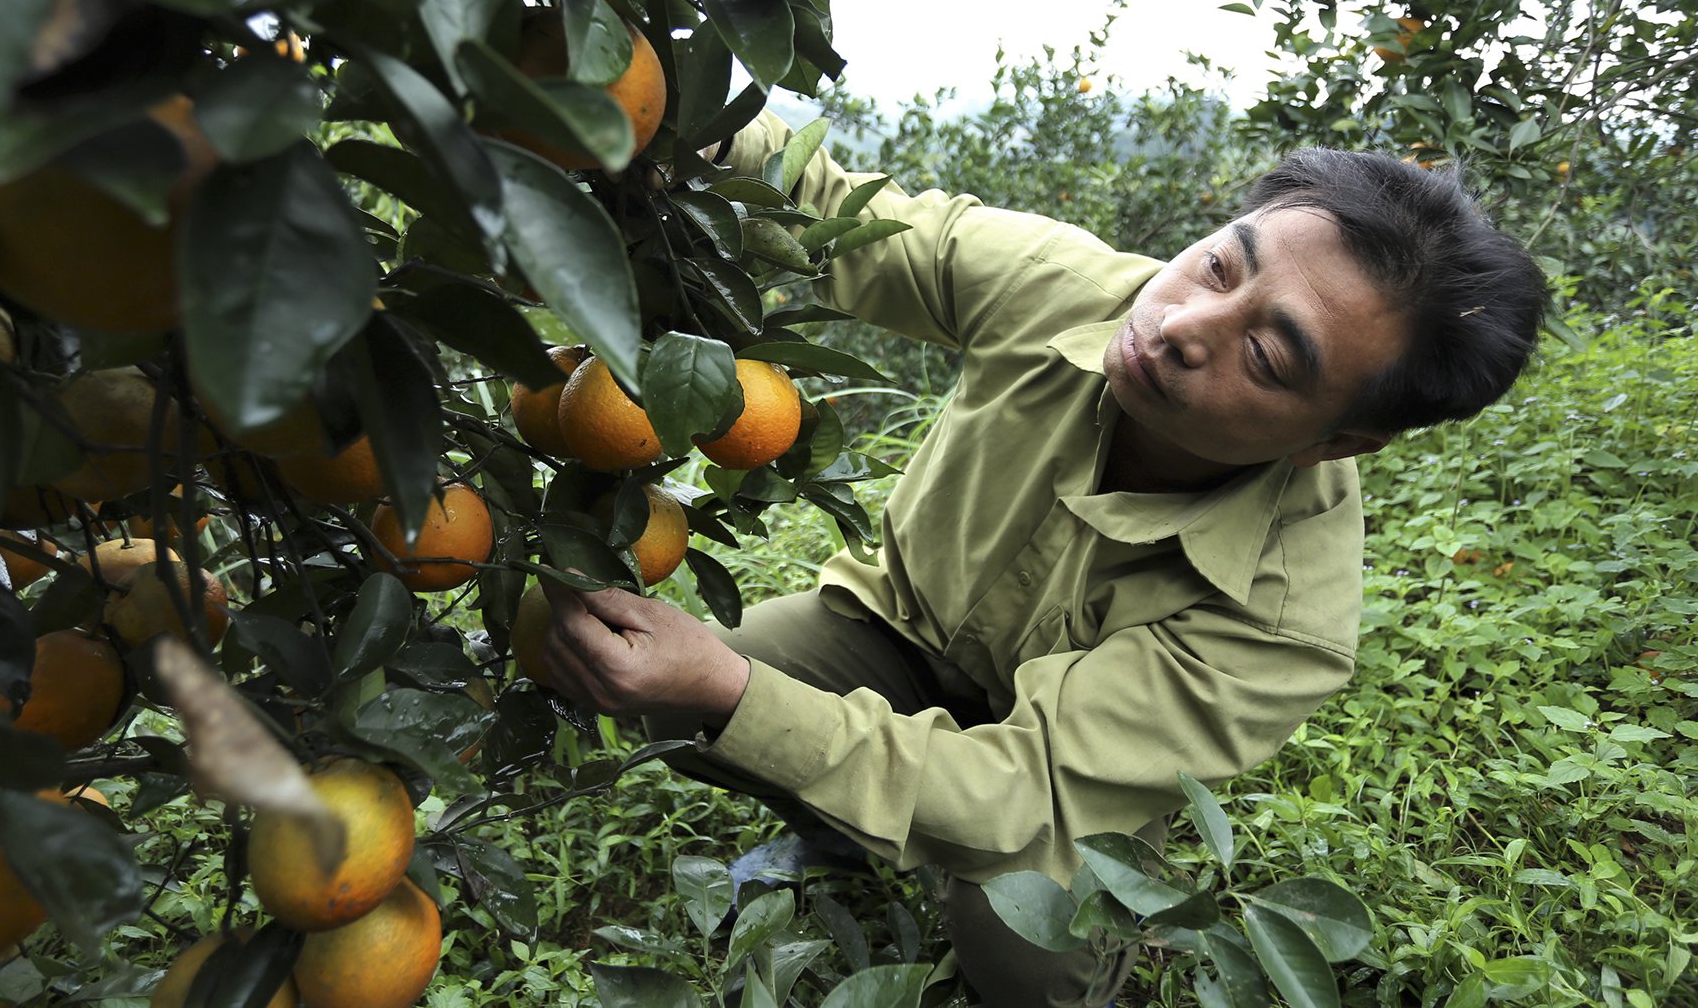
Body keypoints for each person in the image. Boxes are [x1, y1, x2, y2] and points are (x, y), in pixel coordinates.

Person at [534, 110, 1548, 1006]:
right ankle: (854, 819)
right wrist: (658, 113)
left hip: (1054, 769)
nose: (1184, 324)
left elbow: (1021, 787)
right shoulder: (1069, 287)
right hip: (897, 630)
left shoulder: (1279, 622)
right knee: (682, 701)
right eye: (1219, 264)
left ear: (1335, 440)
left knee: (1031, 945)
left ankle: (1071, 941)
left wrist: (738, 689)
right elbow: (831, 213)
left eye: (1269, 354)